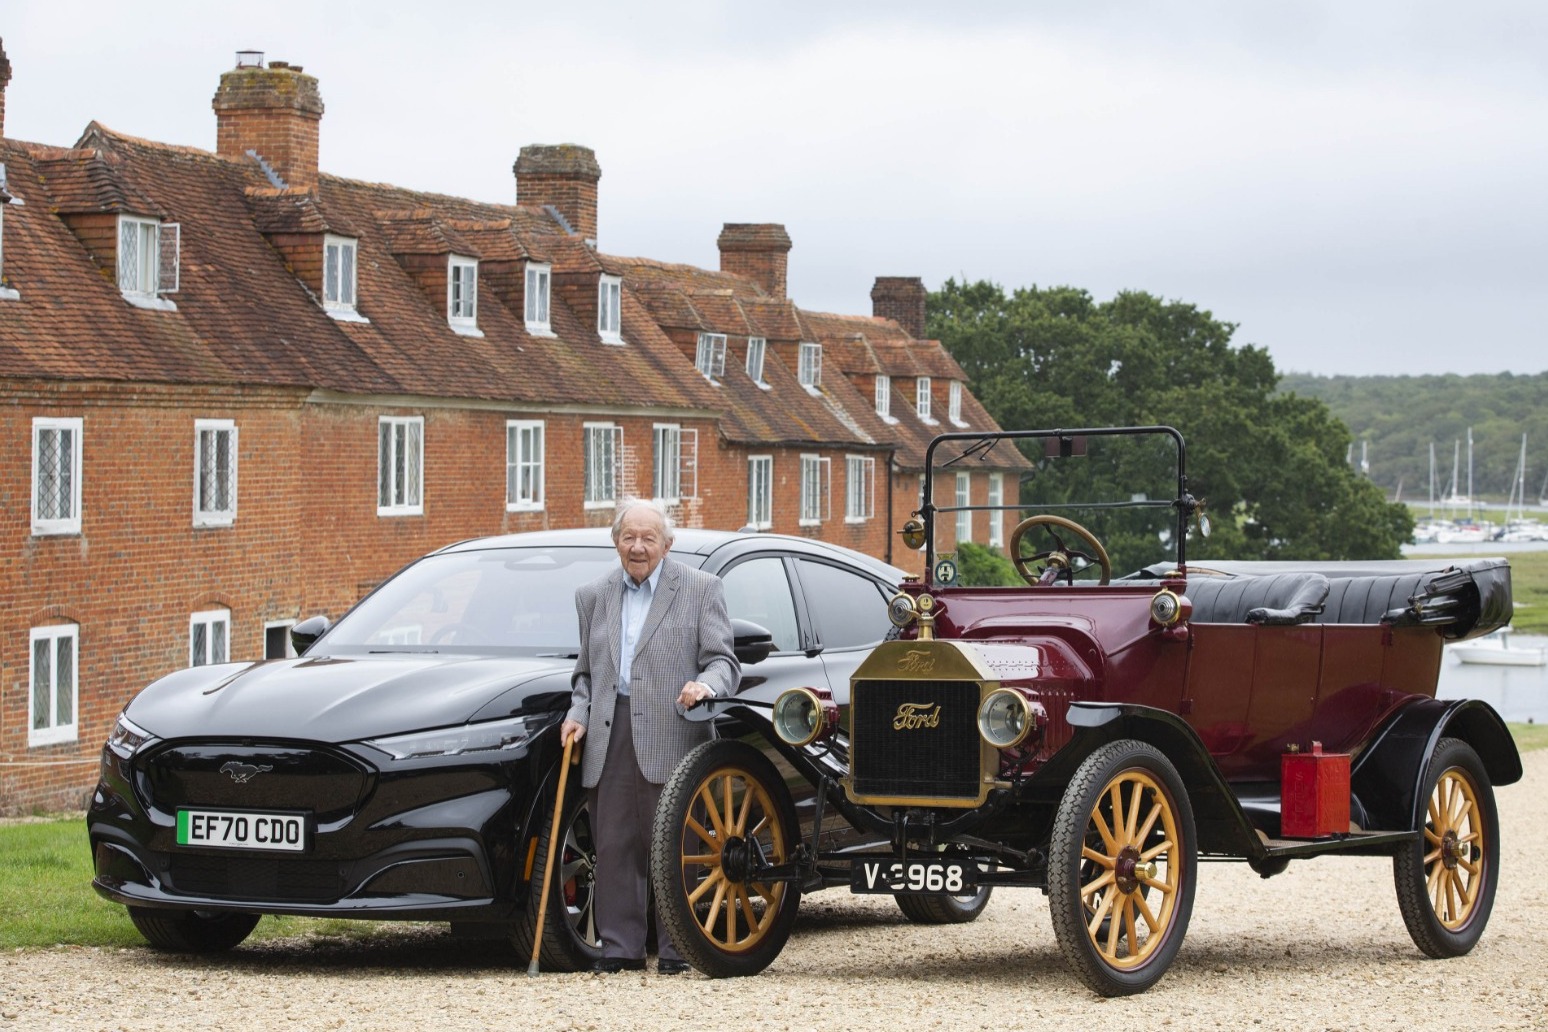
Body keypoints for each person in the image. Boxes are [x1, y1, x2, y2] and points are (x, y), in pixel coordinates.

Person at [559, 498, 739, 975]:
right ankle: (620, 949)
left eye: (648, 538)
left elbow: (724, 661)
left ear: (668, 544)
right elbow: (585, 674)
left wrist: (707, 686)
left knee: (677, 843)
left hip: (675, 728)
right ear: (615, 540)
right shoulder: (592, 595)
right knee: (614, 840)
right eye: (628, 537)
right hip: (609, 727)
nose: (638, 547)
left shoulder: (702, 589)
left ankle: (679, 949)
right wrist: (577, 712)